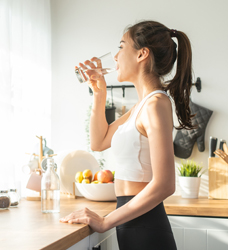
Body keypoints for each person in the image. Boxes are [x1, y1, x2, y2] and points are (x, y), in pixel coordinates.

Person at [60, 20, 195, 250]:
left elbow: (165, 184)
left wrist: (104, 222)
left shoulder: (156, 104)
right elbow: (99, 141)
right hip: (132, 221)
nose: (115, 56)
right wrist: (99, 94)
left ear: (142, 54)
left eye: (121, 47)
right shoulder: (141, 107)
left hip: (146, 226)